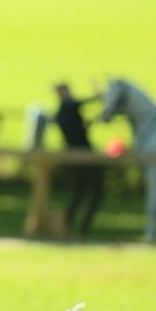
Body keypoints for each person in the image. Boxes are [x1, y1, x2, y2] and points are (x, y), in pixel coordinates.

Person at [53, 83, 103, 238]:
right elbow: (80, 104)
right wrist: (96, 96)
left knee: (78, 192)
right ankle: (81, 228)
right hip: (84, 155)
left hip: (72, 156)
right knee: (95, 191)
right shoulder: (69, 107)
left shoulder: (61, 112)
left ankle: (68, 225)